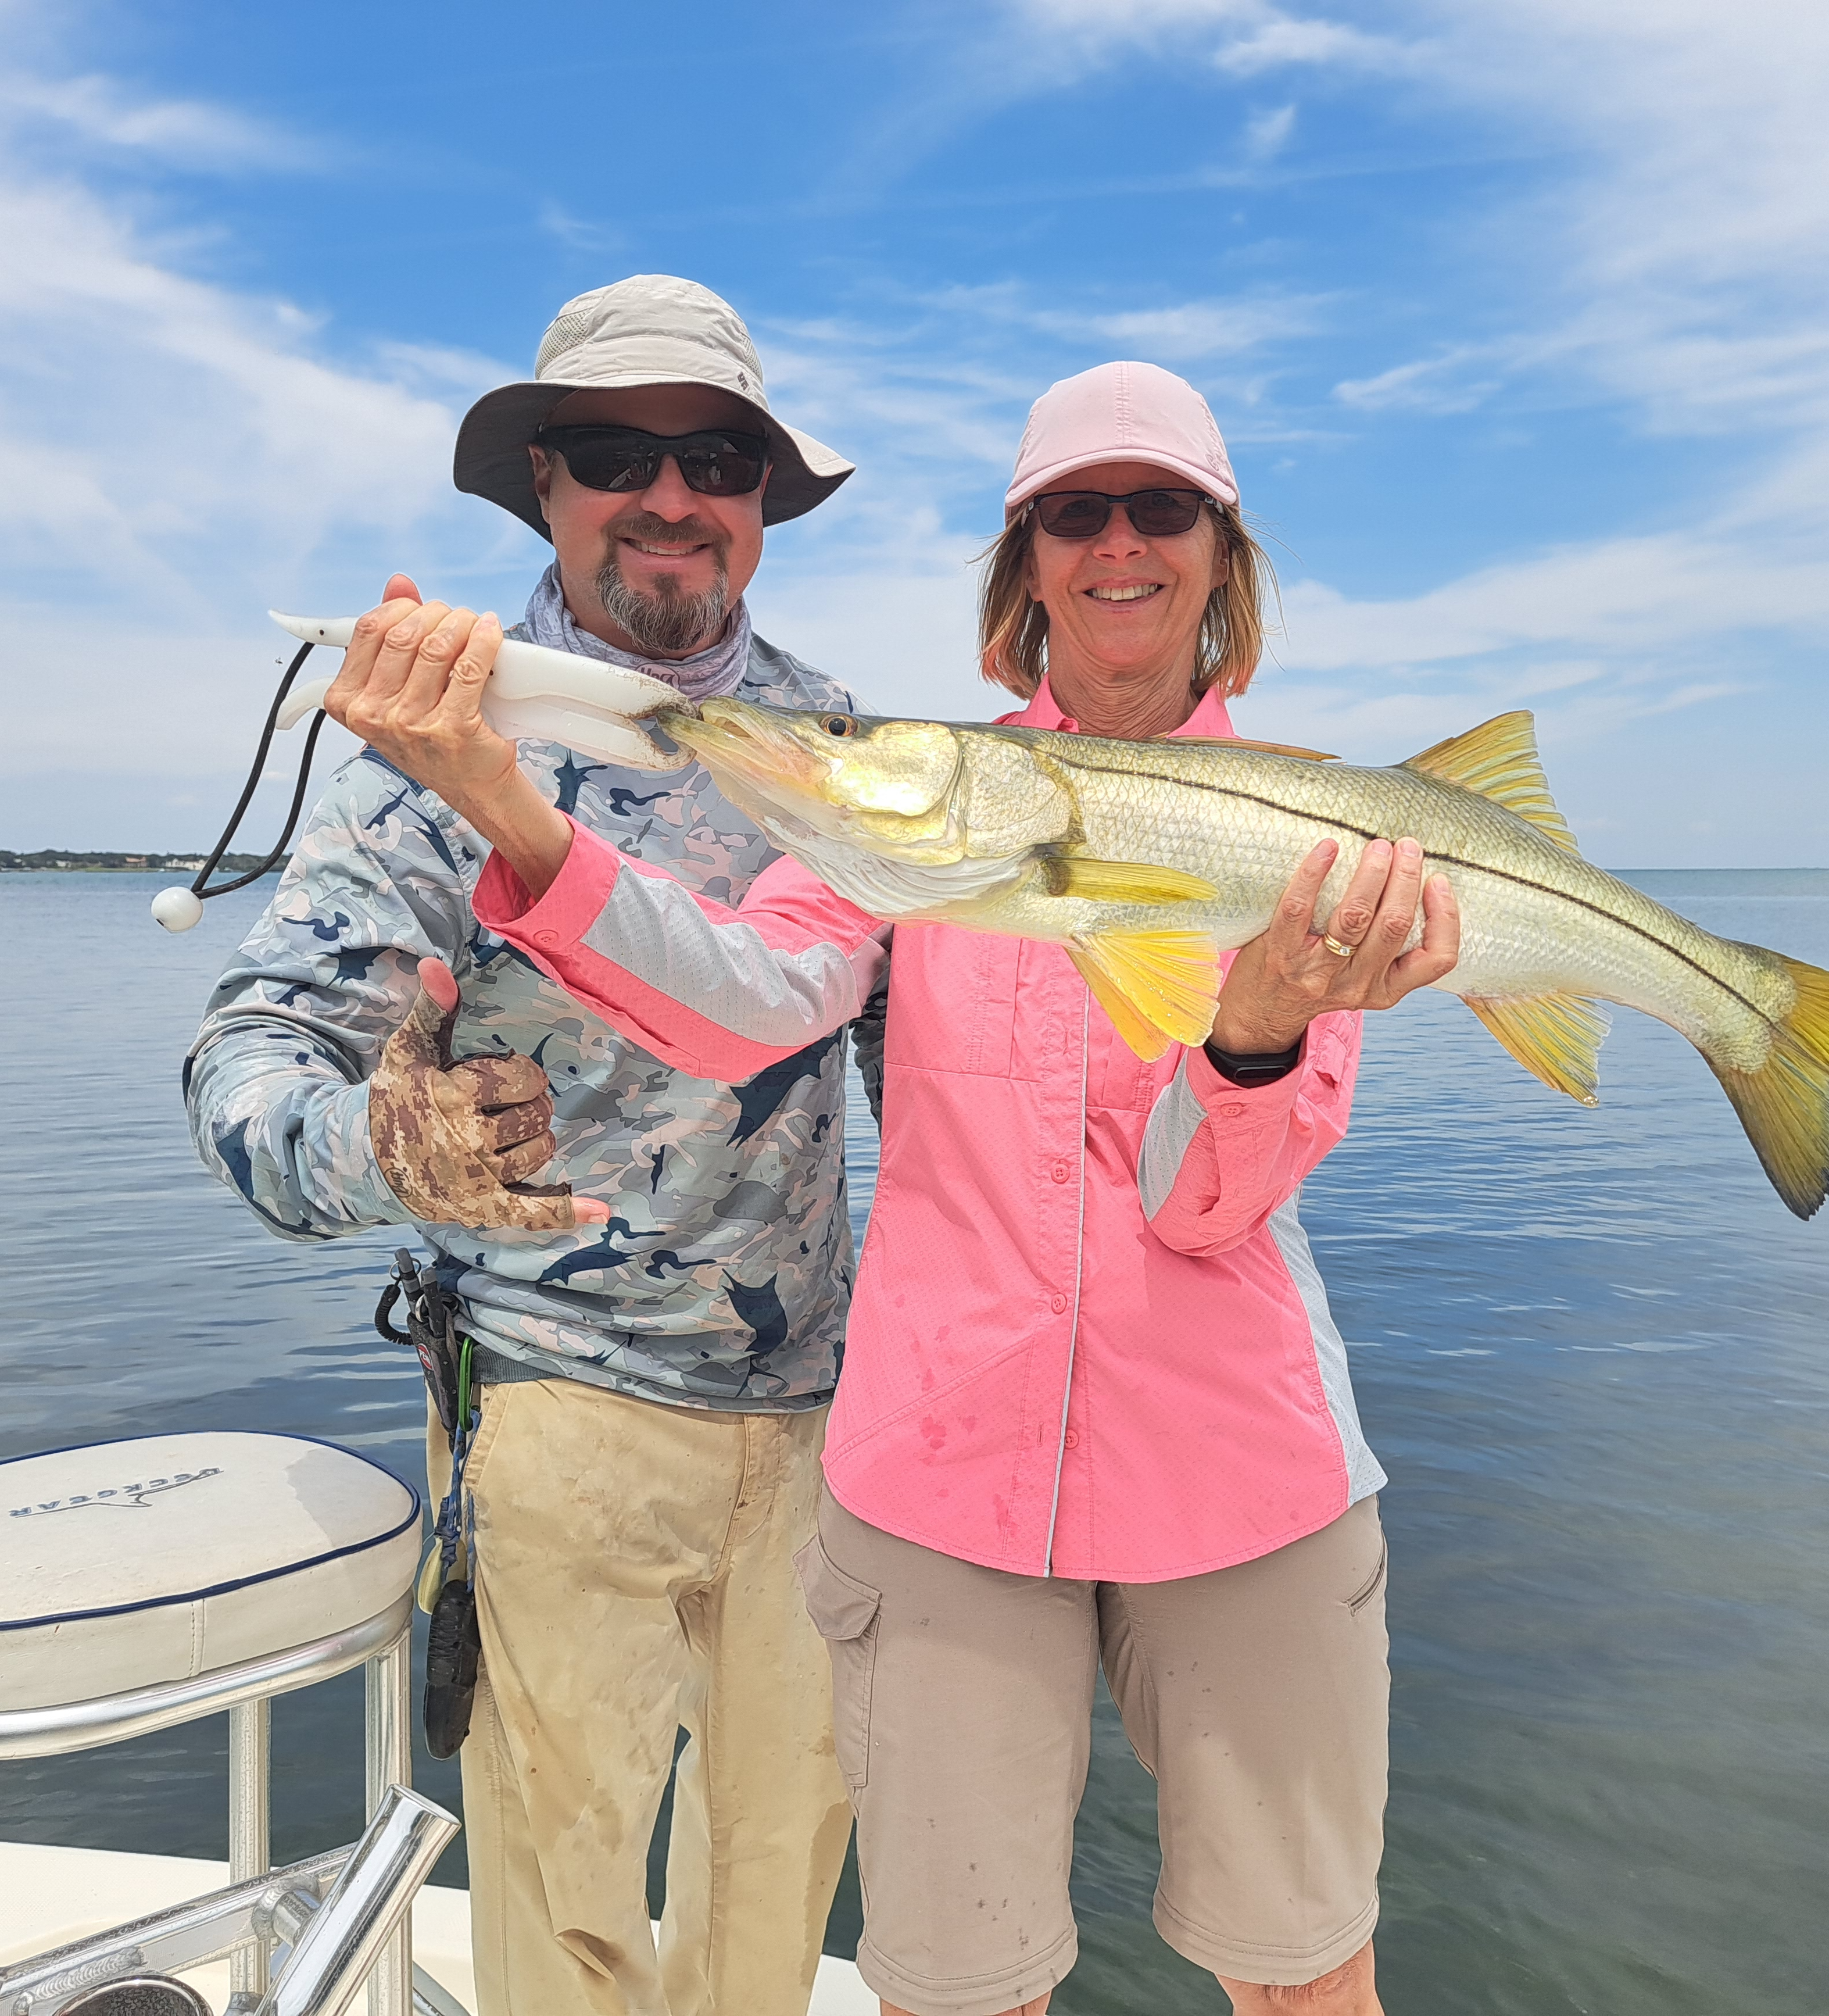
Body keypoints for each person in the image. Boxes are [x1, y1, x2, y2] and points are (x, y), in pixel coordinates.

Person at [331, 359, 1460, 2016]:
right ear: (1024, 568)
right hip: (941, 1485)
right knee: (958, 1987)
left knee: (1304, 1976)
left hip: (1243, 1474)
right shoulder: (914, 811)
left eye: (1163, 509)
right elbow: (735, 997)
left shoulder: (1320, 841)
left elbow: (1204, 1204)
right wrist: (505, 799)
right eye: (1074, 512)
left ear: (1223, 558)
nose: (1118, 543)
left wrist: (1262, 1028)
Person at [184, 275, 869, 2016]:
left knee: (782, 1891)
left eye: (715, 454)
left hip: (834, 1433)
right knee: (565, 1925)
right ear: (541, 488)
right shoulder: (431, 732)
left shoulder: (838, 739)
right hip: (556, 1404)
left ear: (764, 501)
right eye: (611, 452)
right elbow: (248, 1065)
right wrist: (382, 1142)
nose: (669, 493)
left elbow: (933, 1054)